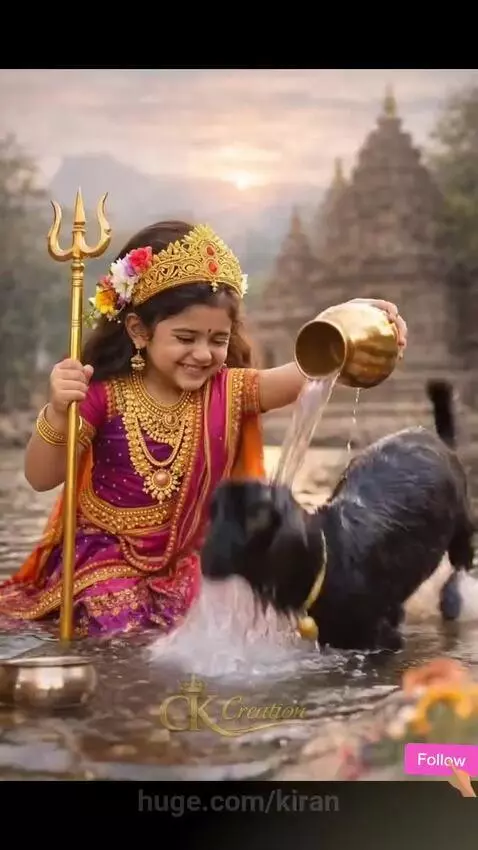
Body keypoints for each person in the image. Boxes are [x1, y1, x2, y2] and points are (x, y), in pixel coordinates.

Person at [0, 220, 407, 638]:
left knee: (242, 625)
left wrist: (353, 322)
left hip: (184, 566)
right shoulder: (102, 395)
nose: (202, 353)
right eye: (185, 337)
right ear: (140, 331)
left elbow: (309, 369)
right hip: (105, 564)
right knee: (125, 634)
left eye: (218, 339)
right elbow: (41, 476)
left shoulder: (230, 390)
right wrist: (55, 412)